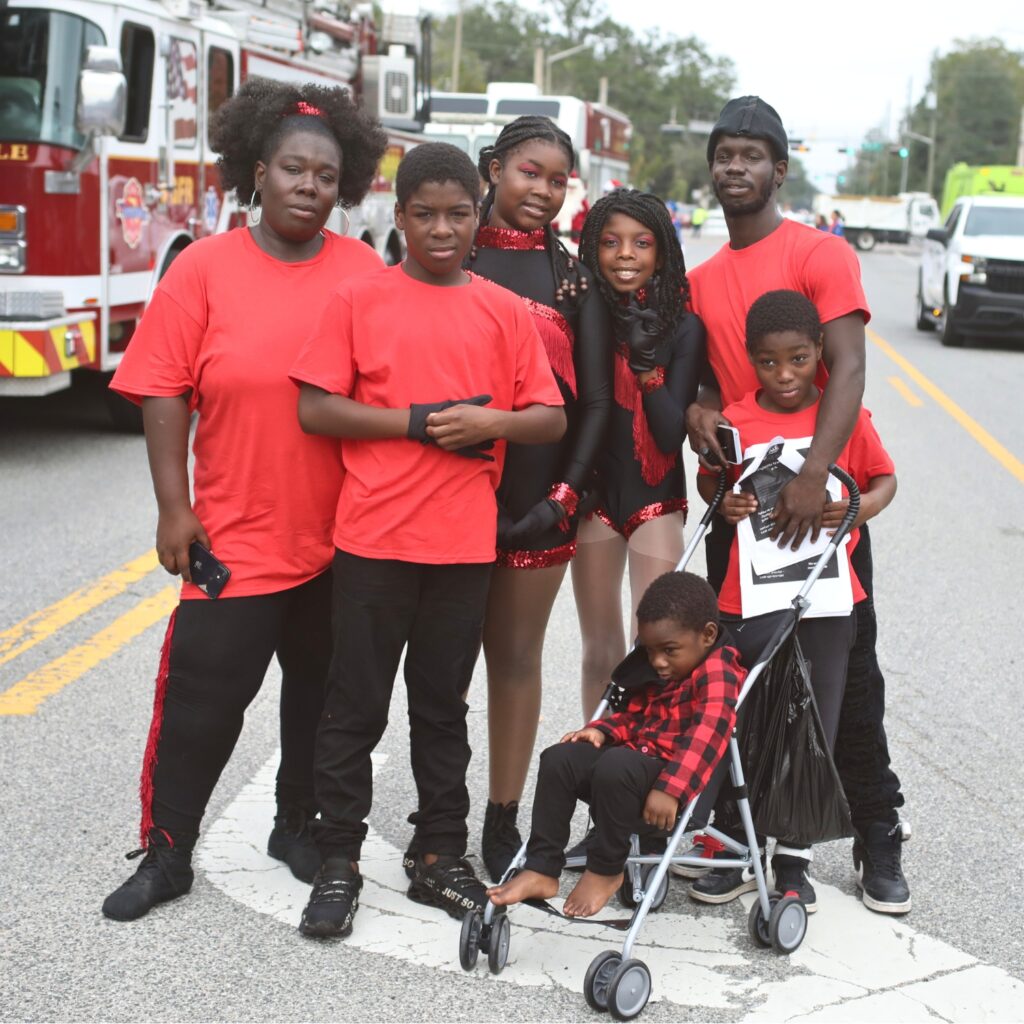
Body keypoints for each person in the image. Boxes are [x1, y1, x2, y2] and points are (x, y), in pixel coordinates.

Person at [101, 80, 388, 922]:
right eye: (293, 169)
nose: (309, 185)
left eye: (326, 175)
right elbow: (162, 390)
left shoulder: (363, 272)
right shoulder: (205, 267)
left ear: (346, 184)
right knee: (201, 704)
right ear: (257, 172)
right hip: (233, 537)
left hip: (342, 539)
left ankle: (295, 825)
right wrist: (172, 506)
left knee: (320, 700)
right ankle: (167, 851)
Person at [288, 143, 567, 938]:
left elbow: (548, 417)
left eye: (457, 214)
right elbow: (315, 408)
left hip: (461, 547)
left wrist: (492, 423)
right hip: (374, 540)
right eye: (424, 214)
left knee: (442, 708)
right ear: (398, 215)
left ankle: (439, 854)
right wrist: (415, 423)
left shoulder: (503, 311)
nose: (441, 229)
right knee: (354, 708)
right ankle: (338, 857)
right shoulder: (358, 300)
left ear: (478, 216)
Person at [685, 95, 910, 916]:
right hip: (745, 514)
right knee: (744, 678)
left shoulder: (821, 254)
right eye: (724, 154)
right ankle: (750, 840)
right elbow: (708, 389)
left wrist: (818, 477)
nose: (735, 167)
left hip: (819, 506)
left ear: (779, 169)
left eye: (751, 154)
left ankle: (878, 832)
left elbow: (846, 368)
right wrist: (699, 418)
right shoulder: (702, 280)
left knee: (844, 683)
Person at [691, 289, 896, 911]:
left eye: (799, 360)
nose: (784, 375)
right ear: (750, 360)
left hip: (829, 600)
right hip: (745, 594)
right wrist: (721, 503)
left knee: (817, 722)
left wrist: (855, 508)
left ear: (820, 356)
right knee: (741, 716)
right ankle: (734, 844)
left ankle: (792, 860)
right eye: (769, 362)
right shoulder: (736, 417)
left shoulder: (844, 417)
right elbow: (712, 481)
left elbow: (884, 479)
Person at [463, 116, 613, 882]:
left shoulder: (572, 278)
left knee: (515, 659)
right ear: (492, 168)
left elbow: (592, 406)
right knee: (440, 665)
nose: (544, 191)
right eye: (530, 172)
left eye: (558, 180)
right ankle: (437, 813)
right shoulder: (446, 252)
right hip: (444, 503)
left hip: (539, 506)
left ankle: (502, 816)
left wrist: (561, 498)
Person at [486, 571, 742, 917]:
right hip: (627, 770)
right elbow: (639, 718)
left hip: (667, 783)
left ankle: (606, 870)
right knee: (558, 758)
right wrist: (604, 731)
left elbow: (708, 733)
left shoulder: (717, 672)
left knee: (615, 765)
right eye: (650, 652)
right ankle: (542, 867)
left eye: (669, 651)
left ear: (708, 635)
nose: (657, 662)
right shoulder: (668, 671)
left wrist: (671, 788)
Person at [573, 189, 705, 717]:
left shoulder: (684, 327)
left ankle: (639, 764)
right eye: (611, 242)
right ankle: (594, 758)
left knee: (653, 652)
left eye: (641, 243)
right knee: (599, 649)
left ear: (662, 252)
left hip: (656, 499)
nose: (625, 254)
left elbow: (672, 437)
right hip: (596, 500)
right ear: (592, 249)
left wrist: (648, 368)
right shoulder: (583, 315)